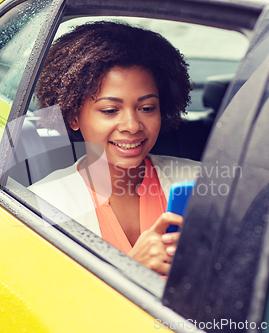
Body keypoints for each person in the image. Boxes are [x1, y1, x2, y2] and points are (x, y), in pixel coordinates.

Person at [29, 21, 200, 275]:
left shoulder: (199, 182)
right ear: (73, 116)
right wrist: (131, 271)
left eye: (147, 108)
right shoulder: (40, 205)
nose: (132, 125)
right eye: (110, 110)